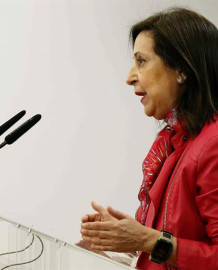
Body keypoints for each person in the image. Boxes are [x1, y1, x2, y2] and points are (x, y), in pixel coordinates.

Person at [79, 7, 218, 270]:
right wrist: (130, 239)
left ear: (182, 69)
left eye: (141, 61)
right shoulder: (174, 142)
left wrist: (148, 240)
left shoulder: (213, 145)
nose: (130, 77)